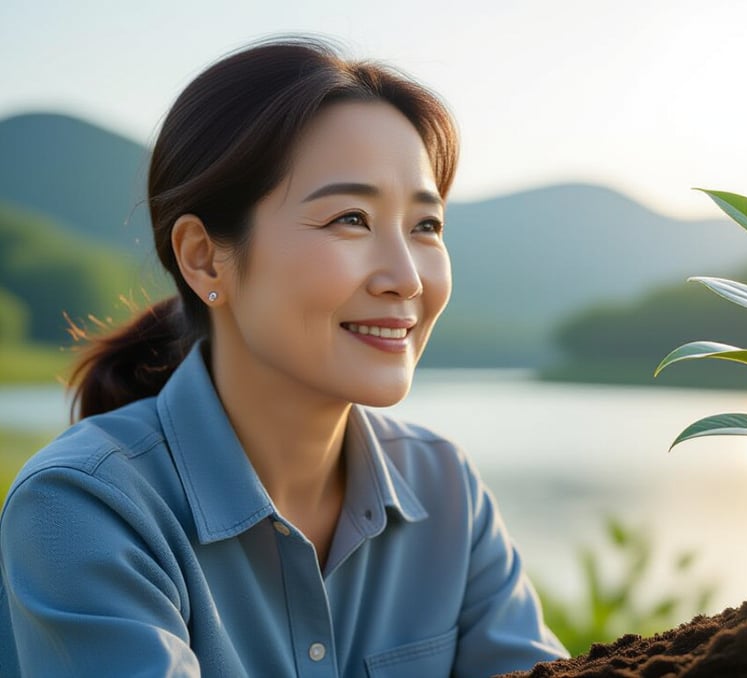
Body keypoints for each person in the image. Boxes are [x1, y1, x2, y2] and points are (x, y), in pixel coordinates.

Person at [0, 34, 567, 677]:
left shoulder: (445, 489)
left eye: (425, 226)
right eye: (350, 219)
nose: (406, 277)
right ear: (203, 256)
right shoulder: (83, 506)